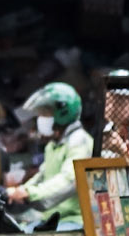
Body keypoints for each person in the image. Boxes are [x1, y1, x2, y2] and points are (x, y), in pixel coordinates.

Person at [5, 83, 93, 228]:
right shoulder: (53, 145)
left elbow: (68, 179)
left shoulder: (79, 141)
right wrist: (22, 191)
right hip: (52, 218)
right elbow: (43, 174)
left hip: (74, 220)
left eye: (45, 114)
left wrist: (29, 193)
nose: (40, 119)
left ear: (63, 113)